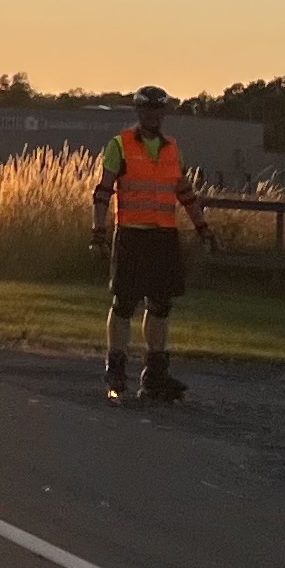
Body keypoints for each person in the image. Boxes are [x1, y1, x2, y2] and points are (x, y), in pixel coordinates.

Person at [90, 85, 207, 402]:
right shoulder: (121, 145)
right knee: (124, 304)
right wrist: (98, 230)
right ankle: (115, 370)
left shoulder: (172, 148)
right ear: (139, 112)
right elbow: (104, 189)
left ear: (163, 113)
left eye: (158, 110)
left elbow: (184, 191)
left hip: (163, 235)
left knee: (160, 306)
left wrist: (201, 226)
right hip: (130, 233)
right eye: (147, 110)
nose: (153, 115)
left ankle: (155, 376)